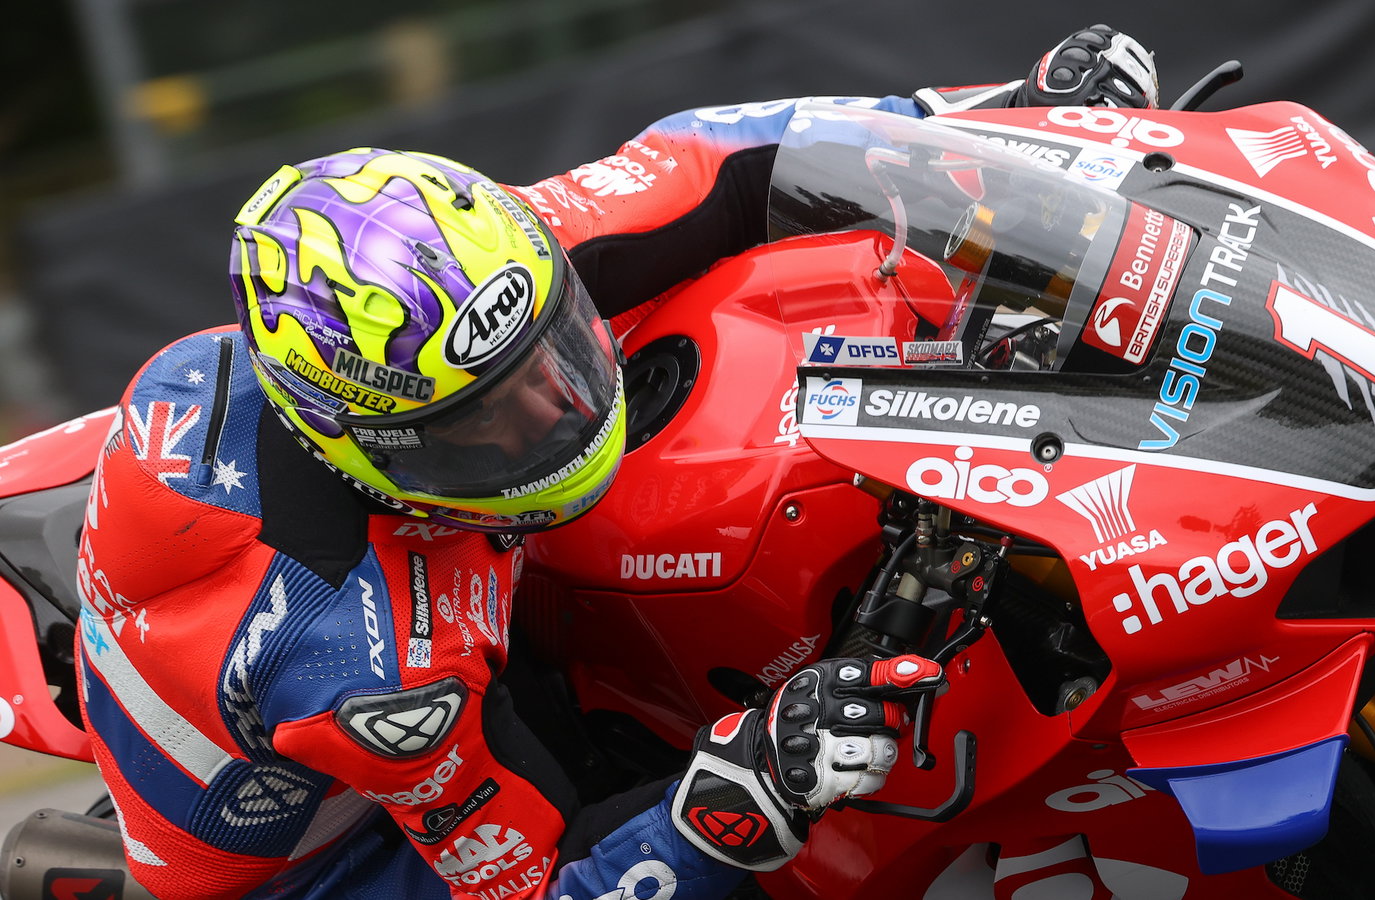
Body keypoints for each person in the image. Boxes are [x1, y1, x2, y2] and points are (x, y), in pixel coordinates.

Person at [70, 26, 1158, 900]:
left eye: (552, 348)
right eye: (487, 419)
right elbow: (541, 885)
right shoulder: (373, 665)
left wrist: (1001, 118)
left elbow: (712, 159)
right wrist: (753, 787)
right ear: (368, 444)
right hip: (339, 860)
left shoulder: (458, 295)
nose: (559, 407)